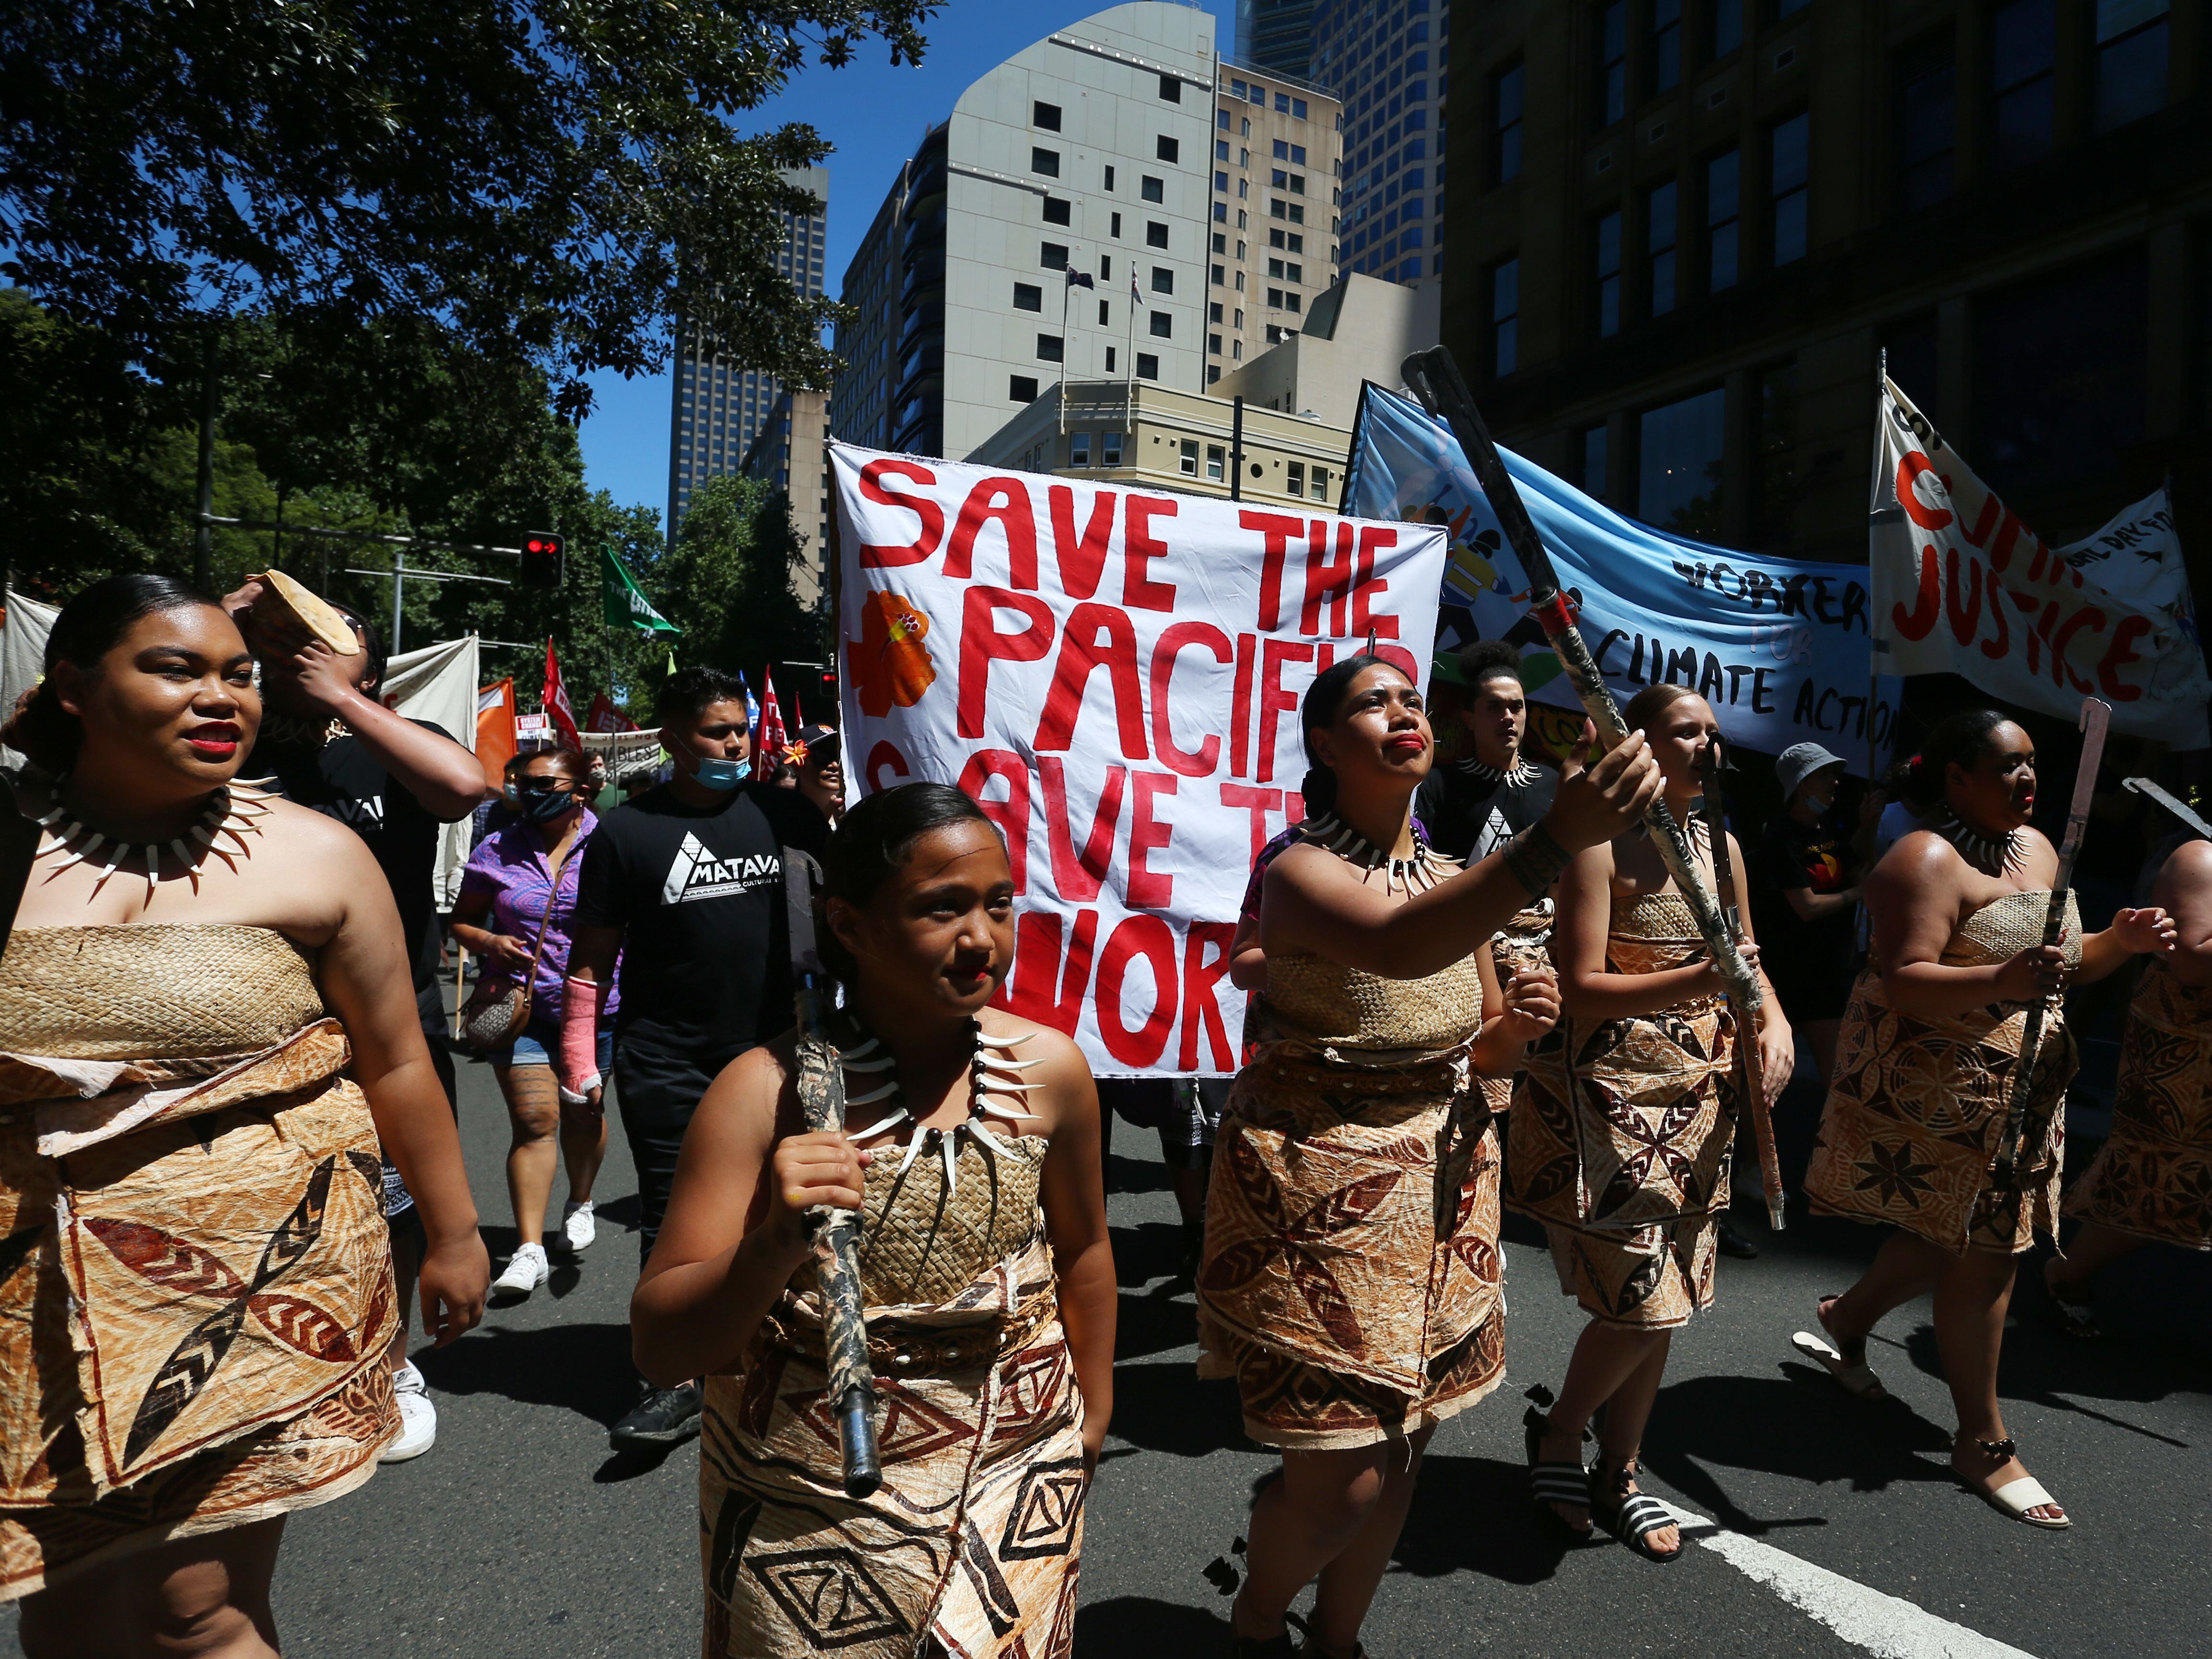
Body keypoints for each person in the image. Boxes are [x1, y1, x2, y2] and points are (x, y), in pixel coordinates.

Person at [0, 576, 486, 1651]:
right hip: (28, 1301)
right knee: (67, 1612)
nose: (223, 696)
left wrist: (453, 1235)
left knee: (196, 1614)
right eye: (177, 668)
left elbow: (399, 1057)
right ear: (72, 686)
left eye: (239, 674)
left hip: (254, 1289)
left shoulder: (316, 849)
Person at [1204, 655, 1662, 1659]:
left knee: (1406, 1451)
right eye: (1374, 702)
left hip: (1445, 1198)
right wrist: (1558, 838)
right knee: (1342, 1478)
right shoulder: (1296, 869)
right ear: (1326, 746)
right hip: (1323, 1200)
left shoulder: (1455, 881)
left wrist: (1523, 1028)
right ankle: (1249, 1617)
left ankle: (1337, 1638)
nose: (1404, 712)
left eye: (1413, 699)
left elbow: (1483, 1043)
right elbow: (1402, 948)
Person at [631, 782, 1115, 1657]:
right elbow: (662, 1347)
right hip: (811, 1507)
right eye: (941, 908)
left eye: (998, 904)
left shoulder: (1052, 1072)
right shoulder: (761, 1094)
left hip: (1021, 1475)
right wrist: (774, 1242)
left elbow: (1083, 1250)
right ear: (847, 925)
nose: (981, 939)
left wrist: (1089, 1416)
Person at [1795, 710, 2173, 1529]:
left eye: (2032, 764)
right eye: (2005, 767)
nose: (2026, 780)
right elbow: (1902, 981)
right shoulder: (1919, 859)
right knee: (1989, 1257)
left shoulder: (2039, 850)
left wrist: (2120, 938)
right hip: (1939, 1102)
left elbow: (2065, 966)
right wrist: (2001, 977)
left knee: (1947, 1236)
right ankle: (1982, 1440)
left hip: (2026, 1098)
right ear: (1955, 777)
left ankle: (1846, 1318)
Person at [1512, 683, 1793, 1562]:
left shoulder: (1723, 846)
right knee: (1647, 1304)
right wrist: (1702, 982)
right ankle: (1561, 1432)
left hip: (1702, 1096)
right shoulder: (1593, 844)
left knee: (1670, 1294)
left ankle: (1622, 1465)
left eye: (1713, 732)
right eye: (1686, 731)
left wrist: (1773, 1020)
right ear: (1635, 741)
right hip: (1616, 1097)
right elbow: (1582, 989)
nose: (1707, 745)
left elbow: (1748, 961)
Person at [224, 580, 486, 1463]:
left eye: (329, 643)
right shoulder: (226, 736)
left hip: (390, 1025)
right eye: (282, 641)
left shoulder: (393, 746)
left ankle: (392, 1359)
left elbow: (462, 787)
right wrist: (219, 622)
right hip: (255, 1030)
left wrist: (341, 696)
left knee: (395, 1205)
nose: (301, 654)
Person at [562, 667, 831, 1451]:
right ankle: (673, 1377)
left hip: (782, 1061)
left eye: (741, 729)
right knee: (674, 1217)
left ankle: (783, 1352)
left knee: (799, 1206)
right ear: (674, 741)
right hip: (670, 1063)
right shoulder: (626, 831)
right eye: (717, 732)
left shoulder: (787, 816)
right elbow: (590, 962)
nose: (736, 744)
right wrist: (583, 1062)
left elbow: (837, 923)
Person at [449, 746, 614, 1298]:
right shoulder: (497, 846)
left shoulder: (611, 844)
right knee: (535, 1119)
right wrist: (492, 939)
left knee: (583, 1114)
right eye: (522, 782)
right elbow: (463, 922)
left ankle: (581, 1198)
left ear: (582, 790)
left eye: (545, 782)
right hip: (520, 1009)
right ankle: (528, 1250)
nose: (529, 791)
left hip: (596, 1012)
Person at [2050, 828, 2212, 1329]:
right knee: (2163, 1180)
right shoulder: (2199, 859)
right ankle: (2065, 1272)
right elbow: (2190, 959)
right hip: (2189, 1051)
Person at [1413, 641, 1563, 1121]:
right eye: (1493, 707)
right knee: (1477, 1099)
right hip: (1466, 962)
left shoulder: (1555, 786)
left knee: (1542, 1104)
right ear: (1469, 717)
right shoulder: (1437, 785)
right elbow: (1428, 875)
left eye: (1516, 706)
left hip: (1546, 967)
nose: (1507, 717)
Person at [1752, 742, 1863, 1089]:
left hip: (1825, 974)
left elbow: (1854, 868)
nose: (1835, 782)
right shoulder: (1781, 837)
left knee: (1838, 1079)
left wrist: (1870, 825)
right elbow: (1808, 907)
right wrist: (1860, 893)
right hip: (1787, 974)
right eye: (1825, 775)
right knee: (1765, 1081)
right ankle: (1750, 1143)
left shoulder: (1829, 828)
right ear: (1802, 784)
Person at [789, 723, 845, 825]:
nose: (834, 765)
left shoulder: (856, 816)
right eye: (822, 757)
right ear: (797, 766)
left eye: (838, 756)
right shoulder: (783, 819)